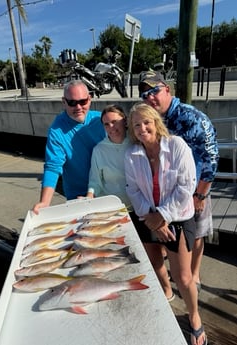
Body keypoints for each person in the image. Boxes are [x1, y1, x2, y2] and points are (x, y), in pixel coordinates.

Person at [124, 102, 207, 345]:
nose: (142, 128)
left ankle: (194, 317)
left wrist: (162, 216)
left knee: (183, 277)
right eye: (136, 125)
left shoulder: (176, 145)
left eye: (146, 122)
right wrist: (152, 219)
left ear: (156, 122)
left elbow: (186, 187)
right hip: (147, 218)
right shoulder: (131, 154)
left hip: (178, 218)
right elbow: (133, 189)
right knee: (155, 263)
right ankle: (166, 294)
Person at [138, 70, 219, 294]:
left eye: (154, 91)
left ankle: (194, 274)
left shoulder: (192, 117)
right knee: (175, 233)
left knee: (198, 232)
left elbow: (211, 159)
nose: (150, 98)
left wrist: (200, 195)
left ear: (167, 90)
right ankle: (178, 265)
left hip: (194, 190)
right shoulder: (150, 119)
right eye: (144, 95)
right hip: (165, 191)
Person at [32, 80, 105, 215]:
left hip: (107, 191)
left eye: (83, 101)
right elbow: (53, 167)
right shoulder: (56, 130)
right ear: (63, 102)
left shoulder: (102, 120)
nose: (78, 107)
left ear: (90, 99)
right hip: (78, 195)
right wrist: (45, 202)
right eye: (72, 102)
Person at [85, 104, 132, 208]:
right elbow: (95, 182)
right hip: (112, 207)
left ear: (125, 121)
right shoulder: (99, 150)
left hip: (138, 207)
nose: (111, 127)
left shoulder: (136, 144)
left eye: (115, 122)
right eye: (106, 124)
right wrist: (88, 198)